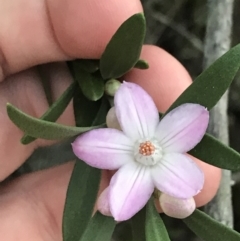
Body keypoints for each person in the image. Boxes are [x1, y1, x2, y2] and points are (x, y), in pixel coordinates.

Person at [0, 0, 221, 239]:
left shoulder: (168, 162)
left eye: (147, 150)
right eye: (146, 149)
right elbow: (117, 110)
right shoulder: (130, 105)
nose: (147, 149)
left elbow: (195, 120)